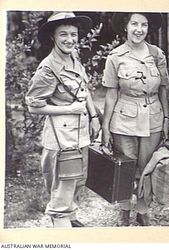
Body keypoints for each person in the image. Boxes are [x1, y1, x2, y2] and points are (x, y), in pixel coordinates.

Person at [25, 12, 101, 227]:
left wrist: (94, 116)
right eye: (63, 35)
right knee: (63, 185)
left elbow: (83, 90)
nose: (70, 39)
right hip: (61, 138)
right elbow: (33, 105)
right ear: (53, 37)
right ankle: (61, 226)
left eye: (74, 34)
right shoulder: (48, 69)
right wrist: (69, 108)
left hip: (80, 133)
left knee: (77, 180)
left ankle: (72, 217)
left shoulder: (73, 58)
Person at [101, 12, 169, 226]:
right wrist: (105, 127)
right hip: (124, 119)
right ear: (126, 27)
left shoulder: (157, 54)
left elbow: (164, 90)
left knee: (147, 166)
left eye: (144, 25)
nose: (139, 29)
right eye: (134, 24)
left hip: (153, 117)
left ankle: (142, 209)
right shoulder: (116, 56)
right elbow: (112, 93)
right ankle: (124, 209)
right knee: (126, 167)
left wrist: (167, 117)